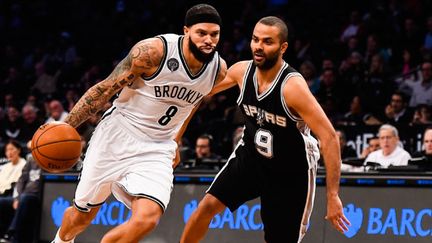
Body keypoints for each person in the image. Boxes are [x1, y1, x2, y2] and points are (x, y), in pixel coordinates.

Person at [52, 4, 227, 243]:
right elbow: (105, 89)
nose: (209, 40)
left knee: (148, 218)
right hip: (118, 134)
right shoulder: (152, 52)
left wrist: (175, 140)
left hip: (157, 146)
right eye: (202, 33)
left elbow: (192, 103)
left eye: (214, 34)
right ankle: (61, 240)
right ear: (186, 31)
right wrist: (66, 126)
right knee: (81, 218)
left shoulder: (218, 70)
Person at [180, 16, 349, 243]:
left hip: (290, 169)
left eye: (267, 41)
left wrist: (333, 195)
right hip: (252, 156)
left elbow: (329, 138)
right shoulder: (241, 71)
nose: (258, 46)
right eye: (255, 39)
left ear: (283, 47)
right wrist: (174, 138)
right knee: (206, 207)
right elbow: (198, 93)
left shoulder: (293, 88)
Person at [0, 152, 42, 243]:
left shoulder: (50, 162)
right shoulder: (31, 160)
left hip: (36, 196)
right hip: (23, 196)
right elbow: (21, 180)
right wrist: (17, 198)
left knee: (25, 199)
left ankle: (11, 232)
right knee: (2, 201)